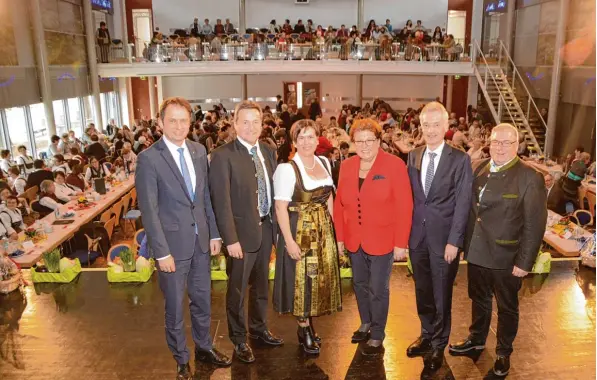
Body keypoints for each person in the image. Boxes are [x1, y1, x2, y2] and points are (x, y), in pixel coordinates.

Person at [136, 97, 231, 379]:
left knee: (202, 301)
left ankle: (204, 347)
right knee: (175, 307)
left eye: (183, 120)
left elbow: (204, 198)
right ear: (161, 123)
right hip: (172, 249)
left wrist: (214, 232)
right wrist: (160, 252)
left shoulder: (199, 150)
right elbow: (149, 211)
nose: (179, 126)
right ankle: (181, 358)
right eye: (172, 120)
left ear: (191, 122)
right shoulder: (149, 158)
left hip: (201, 242)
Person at [449, 124, 547, 377]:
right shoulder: (479, 167)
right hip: (478, 252)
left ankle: (503, 353)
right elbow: (472, 212)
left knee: (506, 307)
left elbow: (534, 224)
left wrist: (525, 262)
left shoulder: (529, 177)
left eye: (506, 143)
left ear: (517, 146)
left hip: (507, 258)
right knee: (478, 299)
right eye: (496, 142)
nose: (500, 148)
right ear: (489, 143)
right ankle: (477, 339)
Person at [209, 100, 283, 364]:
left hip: (266, 230)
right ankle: (239, 339)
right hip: (240, 236)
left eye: (256, 122)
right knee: (238, 290)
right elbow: (221, 201)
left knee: (262, 286)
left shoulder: (268, 151)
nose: (251, 127)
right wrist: (231, 239)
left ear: (262, 125)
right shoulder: (221, 155)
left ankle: (259, 329)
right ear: (235, 124)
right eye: (245, 122)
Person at [334, 119, 413, 355]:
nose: (365, 145)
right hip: (354, 238)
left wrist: (401, 243)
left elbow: (405, 206)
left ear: (379, 141)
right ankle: (366, 321)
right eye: (360, 141)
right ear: (353, 143)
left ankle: (378, 333)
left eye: (370, 140)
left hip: (383, 239)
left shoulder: (395, 165)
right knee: (359, 284)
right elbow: (339, 205)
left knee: (378, 288)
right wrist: (340, 237)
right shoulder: (347, 166)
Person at [405, 102, 473, 371]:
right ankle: (426, 333)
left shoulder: (460, 159)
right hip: (418, 237)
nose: (431, 130)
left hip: (444, 241)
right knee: (422, 291)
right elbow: (412, 199)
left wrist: (454, 241)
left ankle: (438, 345)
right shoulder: (413, 155)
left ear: (446, 127)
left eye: (436, 125)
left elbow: (463, 203)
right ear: (420, 127)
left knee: (442, 294)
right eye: (426, 125)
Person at [273, 120, 342, 355]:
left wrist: (334, 232)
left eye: (310, 137)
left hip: (322, 230)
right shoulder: (286, 169)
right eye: (301, 137)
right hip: (299, 230)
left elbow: (329, 198)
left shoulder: (324, 162)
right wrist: (289, 242)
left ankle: (308, 325)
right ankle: (303, 329)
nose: (306, 142)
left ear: (317, 140)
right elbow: (280, 207)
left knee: (316, 279)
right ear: (293, 142)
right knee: (300, 281)